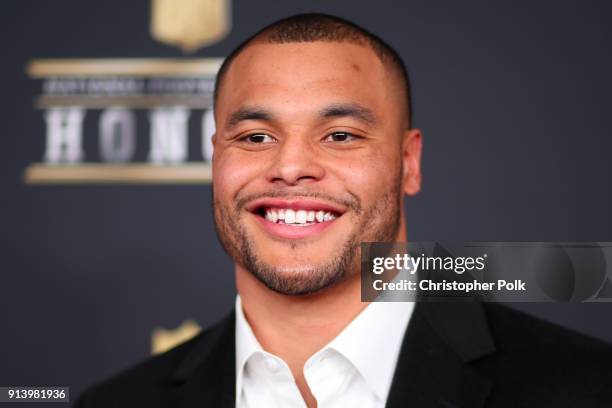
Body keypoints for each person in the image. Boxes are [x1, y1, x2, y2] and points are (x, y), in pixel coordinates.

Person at [76, 13, 612, 408]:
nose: (290, 167)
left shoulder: (586, 388)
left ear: (409, 162)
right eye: (257, 135)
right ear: (216, 159)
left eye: (340, 135)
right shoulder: (116, 404)